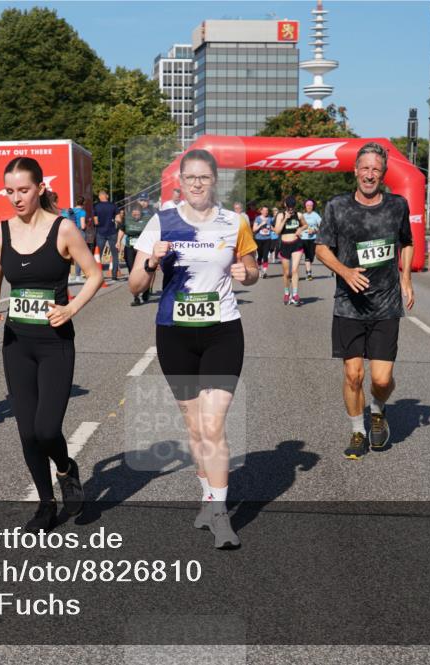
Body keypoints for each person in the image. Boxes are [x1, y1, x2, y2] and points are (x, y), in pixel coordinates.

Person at [128, 148, 259, 550]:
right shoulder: (161, 223)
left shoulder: (234, 222)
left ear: (214, 180)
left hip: (222, 331)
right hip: (175, 334)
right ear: (180, 183)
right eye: (190, 178)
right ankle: (207, 497)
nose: (197, 184)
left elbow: (252, 270)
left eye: (204, 177)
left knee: (213, 424)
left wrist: (246, 272)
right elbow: (135, 286)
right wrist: (151, 262)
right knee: (194, 426)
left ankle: (220, 514)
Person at [0, 157, 103, 532]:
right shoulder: (0, 232)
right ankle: (46, 505)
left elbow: (95, 274)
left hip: (54, 342)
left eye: (23, 190)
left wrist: (71, 309)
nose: (16, 198)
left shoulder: (64, 229)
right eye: (10, 191)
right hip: (17, 341)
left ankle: (67, 469)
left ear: (39, 189)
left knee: (47, 429)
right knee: (26, 432)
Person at [315, 142, 415, 460]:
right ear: (355, 171)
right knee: (353, 375)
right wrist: (344, 271)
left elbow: (407, 243)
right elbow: (320, 248)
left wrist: (406, 279)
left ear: (383, 174)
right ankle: (358, 430)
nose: (370, 174)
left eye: (376, 169)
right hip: (349, 303)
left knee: (382, 379)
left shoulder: (397, 205)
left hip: (386, 303)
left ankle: (378, 409)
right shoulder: (337, 207)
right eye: (365, 168)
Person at [274, 196, 306, 306]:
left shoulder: (299, 215)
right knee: (287, 273)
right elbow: (277, 231)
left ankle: (296, 294)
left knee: (295, 270)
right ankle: (287, 293)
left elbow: (305, 225)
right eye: (289, 207)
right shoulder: (280, 215)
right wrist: (285, 219)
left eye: (293, 207)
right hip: (284, 245)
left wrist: (300, 229)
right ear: (285, 205)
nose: (291, 209)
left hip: (296, 244)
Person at [119, 205, 153, 305]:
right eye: (134, 215)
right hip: (130, 246)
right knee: (131, 269)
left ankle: (146, 290)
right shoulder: (127, 220)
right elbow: (121, 230)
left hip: (143, 248)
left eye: (137, 215)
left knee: (145, 269)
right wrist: (118, 241)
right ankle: (136, 296)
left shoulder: (147, 220)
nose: (135, 217)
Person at [92, 190, 119, 280]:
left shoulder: (96, 206)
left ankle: (96, 274)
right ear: (107, 196)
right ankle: (114, 275)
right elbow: (118, 219)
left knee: (98, 254)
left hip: (100, 232)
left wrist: (99, 224)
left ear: (100, 197)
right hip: (112, 232)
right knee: (114, 254)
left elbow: (95, 221)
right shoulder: (113, 206)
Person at [301, 198, 321, 280]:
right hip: (304, 238)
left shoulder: (316, 215)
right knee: (307, 256)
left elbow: (321, 226)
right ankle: (309, 273)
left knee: (312, 256)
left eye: (311, 205)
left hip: (313, 238)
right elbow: (300, 227)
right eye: (307, 205)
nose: (309, 207)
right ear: (305, 207)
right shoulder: (303, 216)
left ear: (313, 207)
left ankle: (309, 266)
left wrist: (314, 230)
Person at [252, 205, 273, 278]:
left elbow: (272, 227)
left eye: (267, 211)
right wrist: (261, 224)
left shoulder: (270, 219)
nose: (265, 212)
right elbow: (254, 229)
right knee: (260, 256)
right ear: (261, 211)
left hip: (267, 239)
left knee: (265, 256)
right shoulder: (258, 218)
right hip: (259, 239)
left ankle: (264, 272)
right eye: (264, 210)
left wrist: (270, 228)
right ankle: (259, 270)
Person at [70, 195, 88, 282]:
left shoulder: (71, 211)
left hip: (70, 233)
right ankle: (77, 276)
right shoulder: (82, 212)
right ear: (83, 203)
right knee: (79, 255)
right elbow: (83, 225)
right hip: (79, 233)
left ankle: (69, 276)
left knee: (69, 255)